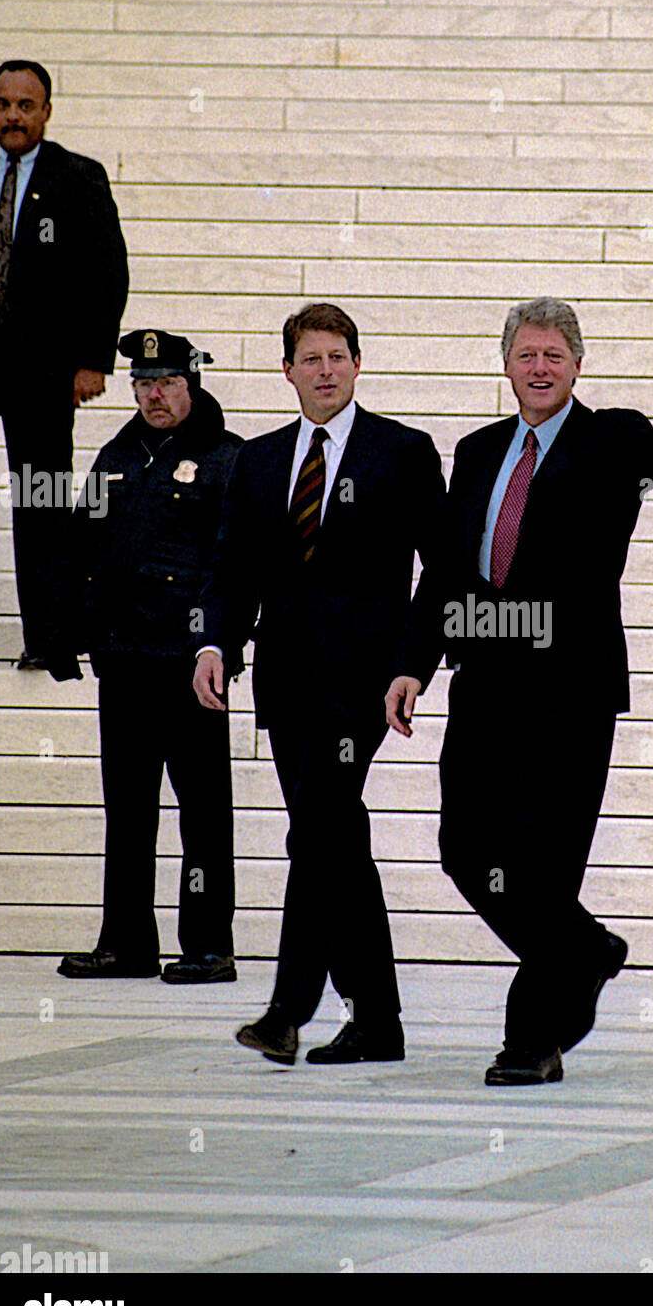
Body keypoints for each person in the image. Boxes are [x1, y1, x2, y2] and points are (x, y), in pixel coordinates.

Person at [386, 292, 653, 1086]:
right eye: (527, 355)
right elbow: (446, 569)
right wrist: (413, 662)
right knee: (465, 849)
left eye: (554, 355)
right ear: (506, 365)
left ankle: (532, 1040)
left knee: (544, 868)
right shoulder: (478, 451)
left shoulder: (612, 437)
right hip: (483, 684)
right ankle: (585, 950)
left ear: (577, 365)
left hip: (570, 691)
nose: (540, 367)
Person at [193, 302, 445, 1065]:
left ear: (359, 364)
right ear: (288, 371)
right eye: (311, 359)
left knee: (322, 824)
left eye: (339, 356)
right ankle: (378, 1021)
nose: (326, 370)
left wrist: (412, 664)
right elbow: (232, 568)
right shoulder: (259, 460)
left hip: (364, 686)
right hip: (287, 683)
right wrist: (214, 641)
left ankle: (287, 1006)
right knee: (333, 838)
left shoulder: (401, 451)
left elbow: (443, 571)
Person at [58, 329, 242, 983]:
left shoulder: (227, 459)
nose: (153, 395)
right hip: (125, 657)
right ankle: (127, 943)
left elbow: (235, 567)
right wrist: (67, 632)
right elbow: (81, 550)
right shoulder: (116, 455)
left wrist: (222, 646)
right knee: (127, 810)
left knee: (203, 810)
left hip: (191, 664)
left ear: (191, 383)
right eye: (142, 384)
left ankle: (208, 946)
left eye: (165, 383)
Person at [0, 60, 128, 677]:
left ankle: (48, 635)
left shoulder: (78, 177)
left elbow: (106, 273)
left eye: (26, 104)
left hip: (42, 364)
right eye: (3, 103)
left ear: (47, 111)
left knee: (41, 495)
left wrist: (93, 360)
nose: (13, 114)